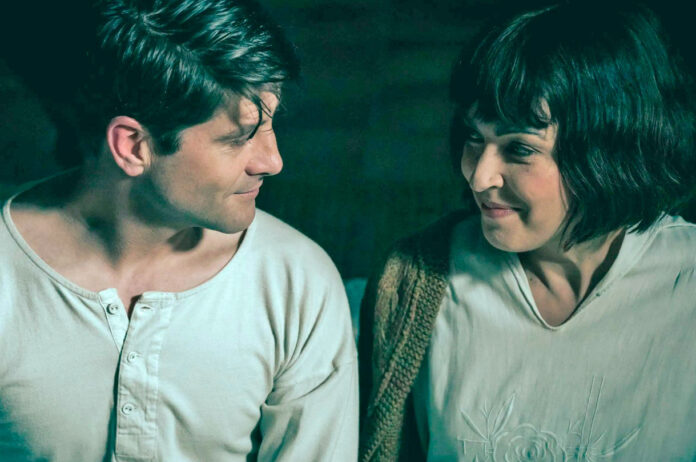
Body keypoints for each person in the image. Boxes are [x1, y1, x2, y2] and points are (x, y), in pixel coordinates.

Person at [0, 1, 358, 460]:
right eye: (238, 138)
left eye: (269, 126)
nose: (272, 161)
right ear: (133, 147)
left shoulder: (297, 282)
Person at [359, 3, 696, 461]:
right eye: (474, 138)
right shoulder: (417, 282)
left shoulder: (685, 282)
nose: (479, 177)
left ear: (610, 152)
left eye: (519, 149)